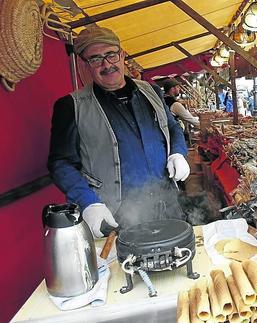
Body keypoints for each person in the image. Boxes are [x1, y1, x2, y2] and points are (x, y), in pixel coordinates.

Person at [47, 26, 190, 238]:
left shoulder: (152, 91)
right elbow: (61, 163)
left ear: (122, 55)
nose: (106, 64)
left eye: (111, 55)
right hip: (116, 217)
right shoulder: (71, 106)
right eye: (95, 59)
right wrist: (88, 202)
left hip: (168, 205)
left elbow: (171, 127)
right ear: (84, 65)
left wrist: (178, 152)